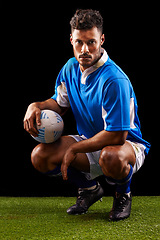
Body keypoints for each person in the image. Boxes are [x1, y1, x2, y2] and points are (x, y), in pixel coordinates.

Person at [24, 9, 151, 221]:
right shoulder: (70, 68)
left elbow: (117, 136)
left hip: (126, 146)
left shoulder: (114, 80)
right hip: (89, 141)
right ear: (71, 40)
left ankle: (123, 193)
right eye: (79, 42)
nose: (85, 49)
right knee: (40, 156)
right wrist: (34, 105)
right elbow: (59, 103)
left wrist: (74, 148)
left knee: (109, 156)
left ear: (101, 40)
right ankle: (90, 189)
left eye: (91, 42)